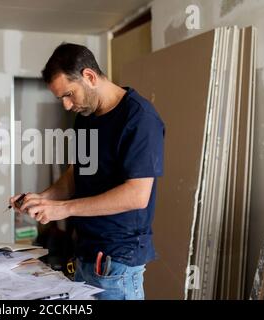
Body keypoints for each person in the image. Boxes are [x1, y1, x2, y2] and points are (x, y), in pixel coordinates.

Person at [10, 43, 165, 300]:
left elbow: (136, 195)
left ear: (90, 77)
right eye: (61, 99)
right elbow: (76, 174)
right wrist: (44, 198)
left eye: (69, 95)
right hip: (85, 254)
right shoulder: (86, 117)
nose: (67, 106)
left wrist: (64, 209)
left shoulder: (140, 119)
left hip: (118, 264)